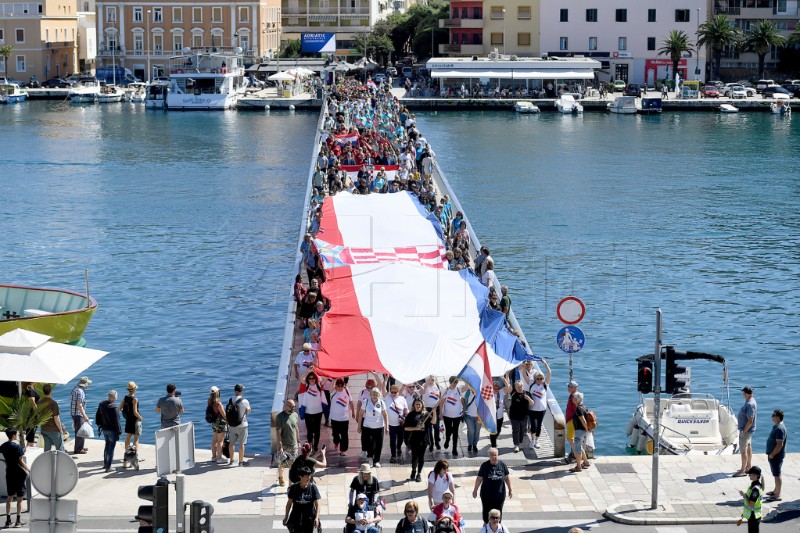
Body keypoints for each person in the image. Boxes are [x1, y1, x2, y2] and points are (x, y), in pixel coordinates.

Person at [472, 448, 512, 525]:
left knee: (497, 514)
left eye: (495, 455)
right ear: (489, 456)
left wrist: (510, 489)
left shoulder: (502, 465)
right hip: (487, 495)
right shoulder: (484, 465)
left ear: (498, 455)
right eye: (492, 455)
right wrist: (475, 490)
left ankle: (497, 528)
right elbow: (479, 479)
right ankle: (486, 528)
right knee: (487, 515)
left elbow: (506, 477)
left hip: (499, 496)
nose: (494, 457)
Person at [1, 430, 29, 529]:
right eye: (16, 434)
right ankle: (18, 521)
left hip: (9, 473)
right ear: (13, 435)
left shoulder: (3, 446)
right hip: (19, 474)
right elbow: (21, 461)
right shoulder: (17, 447)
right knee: (20, 499)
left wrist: (5, 461)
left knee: (10, 497)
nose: (17, 435)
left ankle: (8, 521)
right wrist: (28, 469)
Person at [358, 387, 389, 468]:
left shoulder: (381, 402)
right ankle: (370, 459)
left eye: (376, 394)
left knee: (379, 444)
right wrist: (359, 427)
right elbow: (361, 414)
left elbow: (385, 415)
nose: (375, 396)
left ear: (379, 395)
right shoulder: (366, 401)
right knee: (369, 444)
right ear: (370, 394)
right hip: (367, 426)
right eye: (373, 394)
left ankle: (377, 461)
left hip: (379, 427)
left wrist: (387, 427)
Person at [284, 467, 321, 533]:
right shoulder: (294, 488)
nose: (309, 478)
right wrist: (286, 516)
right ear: (300, 477)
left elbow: (318, 504)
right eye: (306, 476)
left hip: (309, 518)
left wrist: (316, 517)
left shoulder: (313, 487)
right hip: (296, 518)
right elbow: (289, 504)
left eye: (309, 475)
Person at [300, 371, 327, 452]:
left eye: (313, 378)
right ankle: (310, 445)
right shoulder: (306, 386)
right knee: (309, 430)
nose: (312, 380)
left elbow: (326, 377)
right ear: (308, 379)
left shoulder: (319, 385)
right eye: (310, 378)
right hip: (308, 412)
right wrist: (307, 371)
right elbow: (302, 379)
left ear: (316, 379)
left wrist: (320, 371)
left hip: (318, 412)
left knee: (317, 431)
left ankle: (315, 447)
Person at [526, 360, 551, 450]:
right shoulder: (532, 384)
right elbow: (524, 375)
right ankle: (532, 441)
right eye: (538, 379)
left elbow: (549, 373)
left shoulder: (545, 385)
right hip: (532, 409)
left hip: (542, 409)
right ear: (535, 379)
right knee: (534, 425)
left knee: (539, 425)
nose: (539, 380)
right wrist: (522, 365)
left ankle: (537, 440)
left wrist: (545, 364)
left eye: (541, 378)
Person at [404, 398, 431, 482]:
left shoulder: (426, 414)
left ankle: (419, 473)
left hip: (424, 439)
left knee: (421, 457)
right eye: (416, 404)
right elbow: (406, 428)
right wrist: (416, 428)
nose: (418, 406)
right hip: (414, 439)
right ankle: (413, 470)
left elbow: (433, 422)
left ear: (422, 405)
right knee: (414, 456)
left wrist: (434, 413)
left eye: (419, 404)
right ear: (414, 405)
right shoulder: (411, 415)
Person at [95, 389, 122, 472]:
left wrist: (99, 424)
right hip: (112, 430)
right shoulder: (114, 408)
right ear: (114, 398)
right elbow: (117, 422)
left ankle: (105, 464)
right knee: (111, 448)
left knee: (107, 446)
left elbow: (97, 415)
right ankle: (108, 467)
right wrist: (119, 432)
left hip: (104, 428)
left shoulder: (102, 404)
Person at [276, 399, 300, 486]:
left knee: (293, 465)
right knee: (282, 463)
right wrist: (280, 445)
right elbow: (278, 432)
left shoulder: (295, 415)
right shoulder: (279, 417)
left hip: (293, 444)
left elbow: (296, 428)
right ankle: (280, 477)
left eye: (294, 406)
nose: (293, 408)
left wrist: (298, 441)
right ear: (286, 406)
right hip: (284, 444)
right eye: (291, 407)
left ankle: (291, 484)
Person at [227, 384, 252, 466]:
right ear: (241, 391)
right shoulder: (245, 401)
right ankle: (241, 462)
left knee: (231, 443)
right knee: (241, 443)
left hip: (232, 425)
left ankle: (231, 460)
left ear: (235, 391)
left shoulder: (231, 400)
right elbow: (248, 411)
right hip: (242, 424)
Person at [735, 386, 757, 477]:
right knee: (748, 447)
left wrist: (744, 431)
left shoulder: (749, 404)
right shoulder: (751, 401)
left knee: (743, 450)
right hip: (749, 431)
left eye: (744, 393)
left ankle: (743, 470)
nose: (743, 394)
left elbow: (750, 420)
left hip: (746, 431)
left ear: (747, 394)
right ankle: (748, 466)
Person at [330, 378, 355, 456]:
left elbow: (351, 402)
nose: (340, 387)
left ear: (344, 385)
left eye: (342, 385)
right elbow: (330, 388)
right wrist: (334, 380)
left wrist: (353, 412)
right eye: (338, 385)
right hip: (334, 418)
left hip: (344, 418)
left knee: (344, 435)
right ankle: (336, 442)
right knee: (335, 434)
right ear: (336, 386)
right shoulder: (333, 391)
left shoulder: (347, 391)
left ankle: (343, 450)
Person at [765, 409, 786, 502]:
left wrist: (772, 454)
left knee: (777, 474)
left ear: (777, 417)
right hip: (774, 455)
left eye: (773, 415)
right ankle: (775, 490)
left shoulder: (780, 429)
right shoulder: (777, 426)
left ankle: (777, 495)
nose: (771, 416)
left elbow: (779, 444)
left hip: (776, 455)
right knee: (775, 474)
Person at [439, 377, 463, 456]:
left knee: (455, 432)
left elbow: (467, 387)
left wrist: (464, 378)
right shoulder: (445, 390)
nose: (455, 384)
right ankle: (447, 440)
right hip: (447, 415)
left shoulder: (459, 389)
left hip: (457, 415)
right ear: (450, 382)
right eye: (454, 382)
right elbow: (441, 403)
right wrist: (441, 412)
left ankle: (454, 448)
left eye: (456, 382)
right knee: (448, 431)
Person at [508, 381, 533, 453]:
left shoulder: (527, 394)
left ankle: (520, 442)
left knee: (523, 430)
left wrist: (528, 399)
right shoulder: (513, 393)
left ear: (523, 386)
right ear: (515, 388)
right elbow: (508, 386)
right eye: (518, 387)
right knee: (516, 430)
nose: (519, 388)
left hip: (524, 416)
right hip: (514, 416)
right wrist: (505, 376)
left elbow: (532, 403)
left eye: (521, 386)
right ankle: (516, 445)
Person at [386, 384, 409, 463]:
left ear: (398, 392)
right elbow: (382, 388)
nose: (393, 394)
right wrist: (385, 380)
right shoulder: (387, 398)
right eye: (392, 392)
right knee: (392, 440)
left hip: (401, 423)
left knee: (401, 438)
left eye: (395, 392)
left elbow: (406, 409)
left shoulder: (402, 399)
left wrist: (406, 416)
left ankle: (398, 447)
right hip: (391, 424)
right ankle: (393, 455)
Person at [39, 383, 65, 452]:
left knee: (47, 450)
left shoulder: (40, 402)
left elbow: (38, 416)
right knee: (60, 449)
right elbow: (56, 419)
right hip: (53, 430)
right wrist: (60, 429)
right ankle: (61, 462)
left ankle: (47, 462)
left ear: (43, 391)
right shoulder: (53, 403)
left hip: (44, 428)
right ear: (51, 391)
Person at [737, 466, 764, 533]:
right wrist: (745, 495)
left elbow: (751, 505)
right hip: (754, 515)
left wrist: (744, 496)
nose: (749, 476)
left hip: (753, 516)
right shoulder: (756, 485)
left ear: (755, 475)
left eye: (750, 474)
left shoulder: (755, 489)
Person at [569, 392, 591, 473]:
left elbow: (584, 421)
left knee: (577, 449)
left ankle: (578, 466)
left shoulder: (578, 409)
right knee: (580, 446)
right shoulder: (583, 407)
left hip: (580, 431)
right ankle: (586, 462)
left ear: (576, 400)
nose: (572, 399)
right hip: (582, 431)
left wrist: (587, 429)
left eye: (573, 398)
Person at [70, 375, 91, 455]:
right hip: (78, 414)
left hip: (73, 413)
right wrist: (84, 415)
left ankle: (80, 447)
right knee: (80, 431)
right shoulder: (81, 392)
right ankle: (78, 449)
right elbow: (79, 405)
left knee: (79, 430)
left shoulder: (75, 389)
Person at [206, 386, 228, 464]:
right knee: (220, 441)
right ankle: (219, 458)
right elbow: (224, 415)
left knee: (214, 440)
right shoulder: (218, 403)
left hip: (214, 423)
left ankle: (214, 457)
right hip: (221, 423)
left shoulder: (209, 402)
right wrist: (229, 422)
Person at [422, 375, 442, 451]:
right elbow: (424, 389)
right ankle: (431, 444)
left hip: (436, 409)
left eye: (433, 380)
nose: (431, 381)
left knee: (436, 427)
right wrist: (429, 379)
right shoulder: (425, 385)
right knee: (429, 428)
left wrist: (440, 411)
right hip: (427, 409)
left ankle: (437, 442)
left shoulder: (437, 386)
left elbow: (440, 398)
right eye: (430, 380)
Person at [122, 381, 143, 453]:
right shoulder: (135, 399)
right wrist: (140, 418)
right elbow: (135, 412)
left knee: (128, 438)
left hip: (128, 420)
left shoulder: (125, 397)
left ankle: (127, 454)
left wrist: (127, 414)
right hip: (135, 420)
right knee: (136, 439)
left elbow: (120, 408)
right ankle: (135, 455)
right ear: (134, 389)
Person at [489, 377, 510, 448]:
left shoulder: (501, 392)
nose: (496, 390)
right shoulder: (489, 393)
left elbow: (507, 386)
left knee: (498, 430)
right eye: (494, 388)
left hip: (500, 416)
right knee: (493, 431)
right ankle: (493, 445)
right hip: (492, 416)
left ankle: (493, 439)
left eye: (497, 388)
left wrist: (503, 379)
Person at [564, 381, 579, 463]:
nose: (568, 388)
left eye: (570, 387)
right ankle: (575, 454)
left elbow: (576, 409)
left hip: (572, 420)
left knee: (570, 438)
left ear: (574, 388)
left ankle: (576, 455)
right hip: (571, 420)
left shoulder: (574, 396)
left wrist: (572, 419)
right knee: (572, 438)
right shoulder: (573, 395)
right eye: (568, 386)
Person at [23, 382, 39, 446]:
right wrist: (37, 412)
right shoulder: (30, 390)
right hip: (32, 414)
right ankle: (31, 448)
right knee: (31, 434)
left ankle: (28, 447)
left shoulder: (29, 389)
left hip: (29, 414)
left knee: (30, 433)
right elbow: (32, 401)